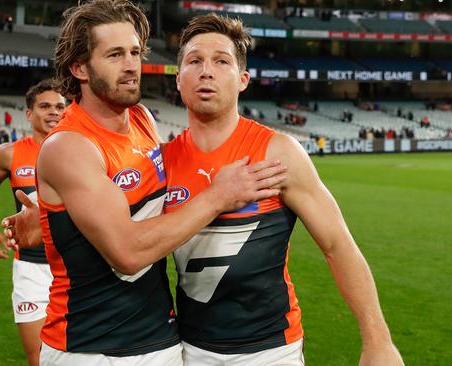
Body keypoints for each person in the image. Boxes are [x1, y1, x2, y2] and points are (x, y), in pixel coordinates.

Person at [1, 1, 285, 364]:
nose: (131, 65)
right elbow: (128, 254)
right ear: (79, 67)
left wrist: (50, 218)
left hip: (160, 337)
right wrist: (219, 196)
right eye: (115, 55)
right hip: (95, 348)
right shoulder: (68, 146)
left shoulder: (141, 119)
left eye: (135, 52)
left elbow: (150, 193)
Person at [161, 13, 402, 365]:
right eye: (194, 61)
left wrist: (377, 340)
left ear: (242, 80)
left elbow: (338, 244)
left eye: (221, 61)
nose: (206, 71)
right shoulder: (163, 163)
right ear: (179, 79)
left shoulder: (278, 152)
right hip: (190, 350)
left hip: (271, 351)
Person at [0, 80, 66, 366]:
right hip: (31, 270)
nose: (54, 112)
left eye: (60, 106)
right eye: (45, 106)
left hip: (76, 267)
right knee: (38, 358)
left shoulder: (83, 150)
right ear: (29, 113)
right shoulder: (9, 154)